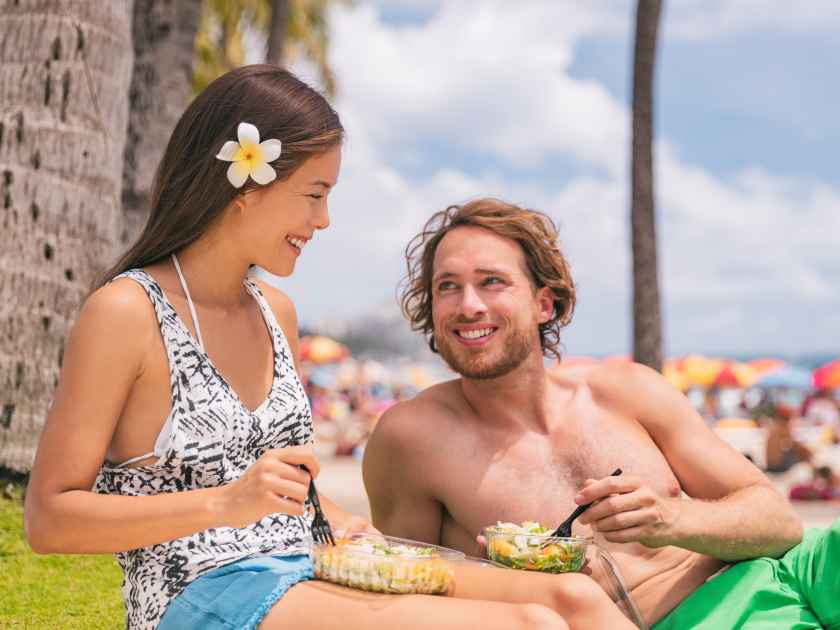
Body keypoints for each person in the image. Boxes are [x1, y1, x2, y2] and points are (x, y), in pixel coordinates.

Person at [23, 66, 632, 630]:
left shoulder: (276, 313)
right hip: (197, 593)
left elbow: (287, 487)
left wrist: (345, 523)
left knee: (573, 599)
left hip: (305, 565)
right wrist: (225, 504)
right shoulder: (127, 312)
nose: (324, 220)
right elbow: (50, 518)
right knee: (531, 626)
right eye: (314, 193)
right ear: (245, 185)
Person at [364, 198, 840, 629]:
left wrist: (672, 521)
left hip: (794, 568)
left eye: (491, 282)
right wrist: (511, 587)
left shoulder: (626, 389)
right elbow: (410, 593)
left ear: (543, 303)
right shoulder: (411, 439)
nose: (468, 305)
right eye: (448, 286)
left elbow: (780, 523)